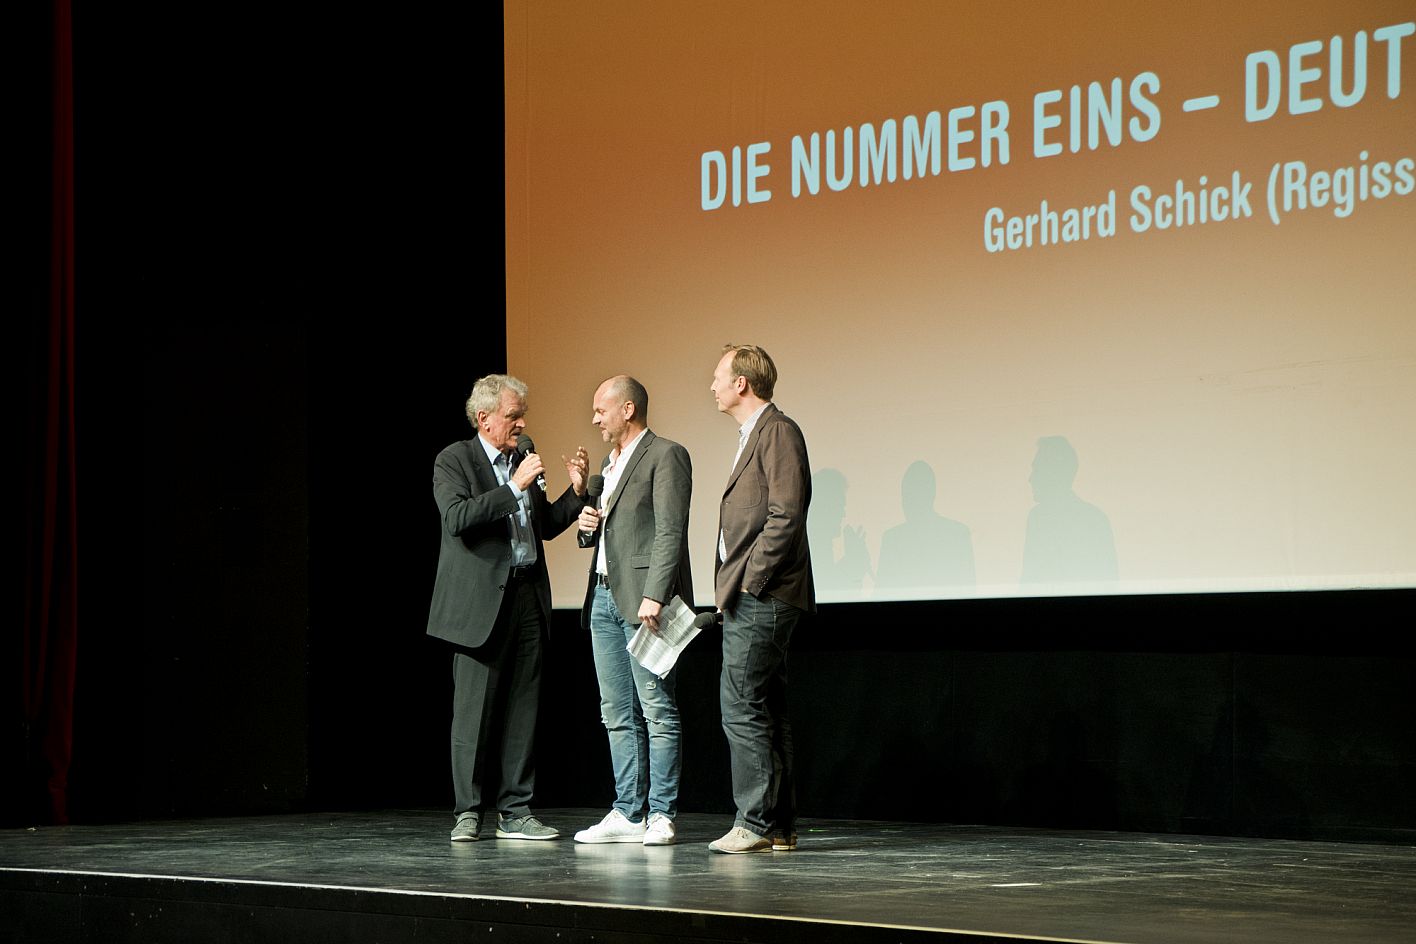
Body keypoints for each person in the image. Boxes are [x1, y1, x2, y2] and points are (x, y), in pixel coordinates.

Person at [427, 374, 588, 842]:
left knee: (524, 709)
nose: (522, 424)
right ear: (485, 418)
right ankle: (468, 811)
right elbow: (457, 518)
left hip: (527, 596)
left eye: (522, 416)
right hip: (480, 605)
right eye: (513, 416)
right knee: (473, 714)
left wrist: (576, 494)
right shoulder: (454, 460)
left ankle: (516, 811)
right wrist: (514, 487)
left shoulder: (522, 459)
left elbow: (546, 525)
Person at [572, 376, 693, 846]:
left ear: (627, 409)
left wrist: (656, 593)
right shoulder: (609, 464)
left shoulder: (666, 455)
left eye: (601, 410)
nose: (595, 419)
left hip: (645, 601)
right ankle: (627, 811)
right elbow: (606, 536)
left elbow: (670, 531)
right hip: (603, 597)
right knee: (616, 711)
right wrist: (587, 517)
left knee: (656, 709)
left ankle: (661, 813)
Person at [708, 344, 815, 853]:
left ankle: (752, 822)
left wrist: (751, 580)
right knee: (766, 708)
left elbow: (786, 513)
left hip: (765, 594)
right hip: (755, 594)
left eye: (718, 376)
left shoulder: (777, 431)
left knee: (741, 705)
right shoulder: (753, 434)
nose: (712, 386)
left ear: (742, 383)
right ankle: (778, 826)